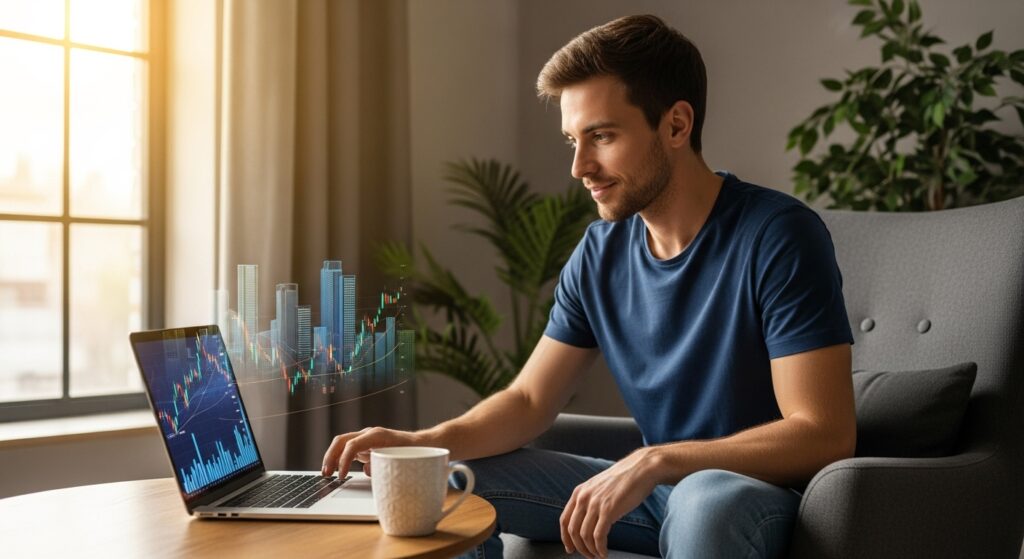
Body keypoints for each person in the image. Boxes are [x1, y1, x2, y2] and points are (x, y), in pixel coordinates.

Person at [322, 14, 855, 559]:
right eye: (572, 141)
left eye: (601, 136)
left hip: (752, 500)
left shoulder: (778, 236)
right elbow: (529, 400)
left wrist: (657, 460)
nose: (580, 166)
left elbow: (822, 431)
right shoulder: (600, 253)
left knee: (705, 500)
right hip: (656, 493)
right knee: (452, 482)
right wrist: (421, 444)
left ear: (676, 126)